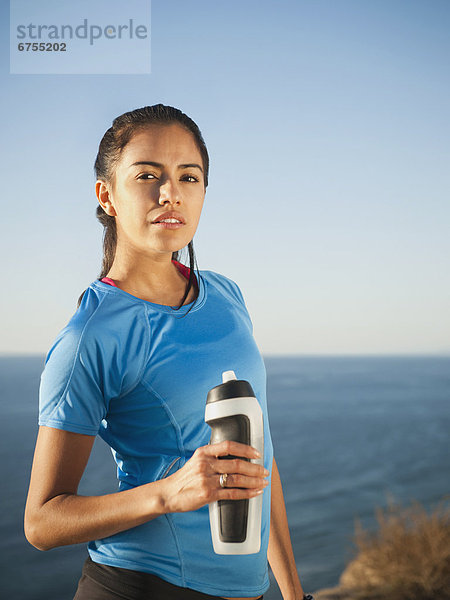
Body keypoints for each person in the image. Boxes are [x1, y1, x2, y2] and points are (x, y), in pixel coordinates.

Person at [24, 104, 311, 600]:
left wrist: (292, 592)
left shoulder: (227, 296)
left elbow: (258, 459)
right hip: (139, 585)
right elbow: (42, 522)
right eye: (147, 175)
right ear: (106, 195)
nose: (170, 193)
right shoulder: (90, 338)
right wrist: (169, 492)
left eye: (189, 177)